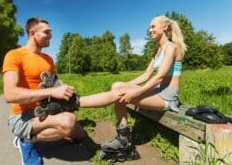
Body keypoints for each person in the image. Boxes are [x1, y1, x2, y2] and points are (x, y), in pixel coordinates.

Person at [79, 15, 187, 157]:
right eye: (150, 27)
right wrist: (124, 87)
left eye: (153, 26)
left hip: (168, 96)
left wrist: (134, 93)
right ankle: (123, 137)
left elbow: (159, 76)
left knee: (120, 93)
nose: (150, 30)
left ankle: (74, 102)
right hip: (157, 91)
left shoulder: (171, 48)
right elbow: (145, 76)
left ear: (164, 27)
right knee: (117, 85)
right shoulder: (158, 51)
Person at [2, 17, 85, 165]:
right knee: (69, 122)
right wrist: (54, 91)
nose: (51, 36)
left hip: (46, 110)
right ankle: (26, 140)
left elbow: (55, 83)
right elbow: (9, 94)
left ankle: (32, 134)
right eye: (47, 32)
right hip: (22, 116)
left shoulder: (48, 59)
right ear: (32, 32)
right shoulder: (14, 55)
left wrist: (65, 92)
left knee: (80, 135)